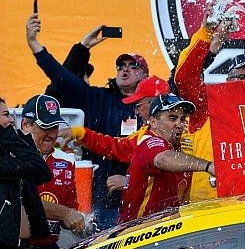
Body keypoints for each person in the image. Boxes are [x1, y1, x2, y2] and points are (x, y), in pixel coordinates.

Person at [26, 13, 149, 229]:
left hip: (139, 201)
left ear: (145, 76)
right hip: (100, 202)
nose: (124, 69)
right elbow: (61, 78)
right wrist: (80, 48)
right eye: (120, 66)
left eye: (132, 66)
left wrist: (130, 181)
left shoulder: (153, 107)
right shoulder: (98, 98)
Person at [173, 15, 245, 202]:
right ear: (228, 81)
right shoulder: (207, 106)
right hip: (207, 209)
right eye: (244, 79)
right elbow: (184, 78)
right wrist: (206, 32)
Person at [59, 76, 173, 193]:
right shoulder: (145, 133)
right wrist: (81, 133)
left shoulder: (183, 131)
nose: (136, 111)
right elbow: (115, 146)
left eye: (138, 106)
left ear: (153, 103)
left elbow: (171, 177)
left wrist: (129, 182)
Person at [118, 94, 215, 223]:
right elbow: (163, 158)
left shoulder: (179, 150)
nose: (179, 124)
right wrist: (208, 166)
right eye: (172, 118)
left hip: (162, 232)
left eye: (182, 119)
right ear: (153, 122)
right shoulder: (149, 142)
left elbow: (183, 202)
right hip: (134, 233)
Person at [19, 95, 85, 249]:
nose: (51, 134)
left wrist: (81, 222)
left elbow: (70, 214)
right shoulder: (12, 157)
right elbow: (21, 201)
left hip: (49, 248)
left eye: (54, 127)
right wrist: (64, 213)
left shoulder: (67, 161)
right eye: (45, 127)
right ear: (26, 125)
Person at [0, 97, 51, 249]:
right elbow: (37, 166)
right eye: (6, 115)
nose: (11, 120)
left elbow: (43, 173)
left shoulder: (7, 153)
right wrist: (7, 136)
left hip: (18, 248)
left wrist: (17, 138)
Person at [44, 25, 104, 104]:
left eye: (84, 76)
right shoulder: (53, 100)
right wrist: (83, 47)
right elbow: (63, 78)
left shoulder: (91, 104)